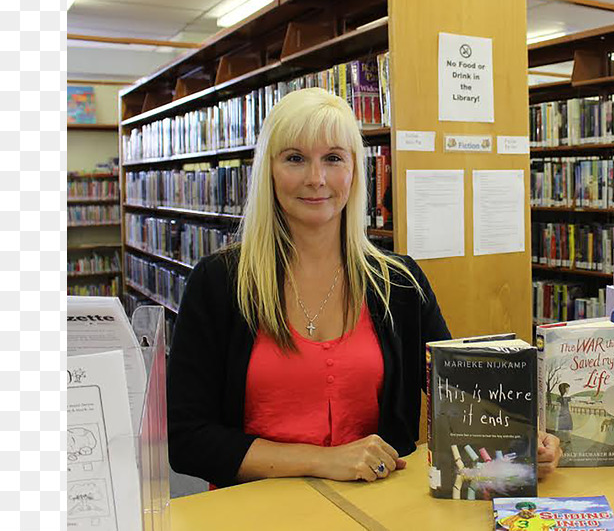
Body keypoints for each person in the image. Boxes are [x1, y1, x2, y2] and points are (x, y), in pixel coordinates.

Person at [167, 88, 561, 488]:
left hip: (374, 504)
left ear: (355, 170)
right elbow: (188, 440)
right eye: (295, 158)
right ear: (268, 169)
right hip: (255, 508)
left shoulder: (399, 283)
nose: (316, 178)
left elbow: (458, 398)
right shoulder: (219, 283)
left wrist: (524, 441)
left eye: (333, 158)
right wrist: (323, 460)